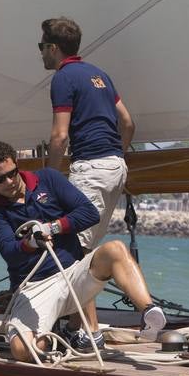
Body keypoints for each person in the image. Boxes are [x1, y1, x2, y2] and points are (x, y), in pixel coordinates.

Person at [0, 139, 165, 363]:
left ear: (17, 165)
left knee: (115, 249)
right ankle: (52, 338)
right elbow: (11, 252)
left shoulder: (48, 179)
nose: (9, 181)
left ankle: (149, 312)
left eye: (12, 173)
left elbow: (89, 214)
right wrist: (32, 243)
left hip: (73, 275)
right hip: (35, 287)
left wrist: (53, 227)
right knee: (23, 351)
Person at [39, 16, 134, 250]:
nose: (40, 52)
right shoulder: (99, 74)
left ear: (54, 48)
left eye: (41, 47)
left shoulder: (63, 77)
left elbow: (60, 136)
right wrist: (114, 156)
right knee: (85, 246)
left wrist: (49, 181)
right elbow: (128, 122)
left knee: (71, 245)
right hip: (116, 168)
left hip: (91, 169)